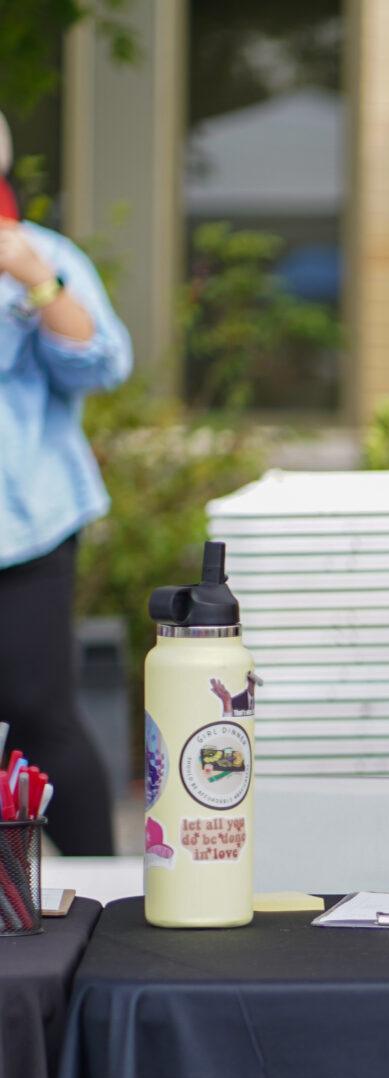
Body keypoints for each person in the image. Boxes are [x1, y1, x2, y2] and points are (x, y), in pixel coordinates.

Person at [0, 110, 130, 853]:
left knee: (37, 712)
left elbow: (103, 362)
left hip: (28, 525)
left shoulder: (43, 255)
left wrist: (37, 284)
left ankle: (102, 893)